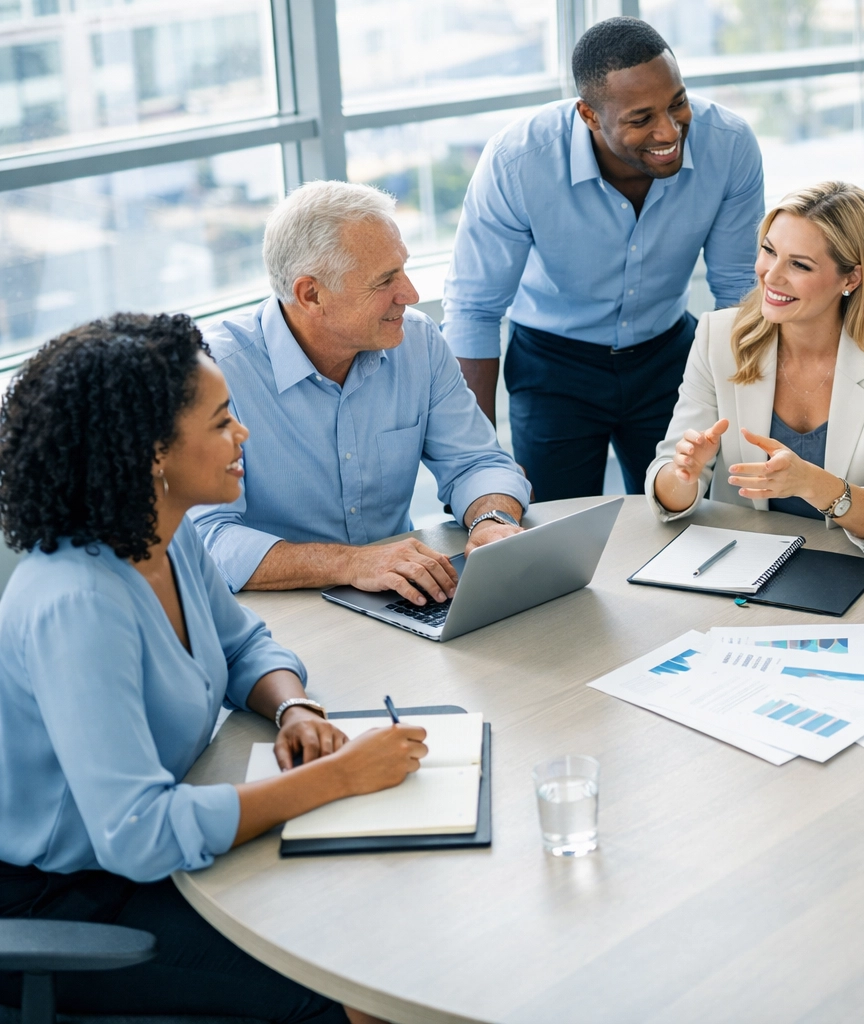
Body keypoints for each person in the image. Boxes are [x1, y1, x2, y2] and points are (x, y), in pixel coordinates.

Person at [0, 314, 428, 1021]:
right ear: (152, 454)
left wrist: (295, 709)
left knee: (383, 914)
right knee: (363, 992)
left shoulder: (163, 536)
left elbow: (244, 645)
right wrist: (336, 778)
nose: (245, 436)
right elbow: (138, 831)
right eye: (224, 422)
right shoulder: (78, 602)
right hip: (74, 905)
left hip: (156, 861)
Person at [443, 16, 764, 501]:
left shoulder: (730, 144)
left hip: (667, 355)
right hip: (553, 366)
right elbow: (474, 310)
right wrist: (475, 464)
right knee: (555, 535)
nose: (670, 129)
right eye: (641, 118)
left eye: (677, 103)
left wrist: (747, 410)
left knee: (688, 517)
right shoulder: (518, 160)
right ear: (589, 115)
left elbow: (738, 287)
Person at [191, 180, 531, 607]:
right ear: (311, 294)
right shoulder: (213, 373)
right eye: (385, 279)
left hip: (399, 595)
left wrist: (491, 519)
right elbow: (207, 538)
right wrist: (351, 564)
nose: (411, 294)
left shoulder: (418, 342)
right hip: (277, 613)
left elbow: (476, 461)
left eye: (403, 268)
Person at [646, 181, 864, 552]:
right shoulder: (717, 337)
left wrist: (812, 484)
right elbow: (666, 493)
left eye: (799, 264)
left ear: (851, 278)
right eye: (769, 251)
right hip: (754, 560)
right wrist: (683, 474)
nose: (771, 275)